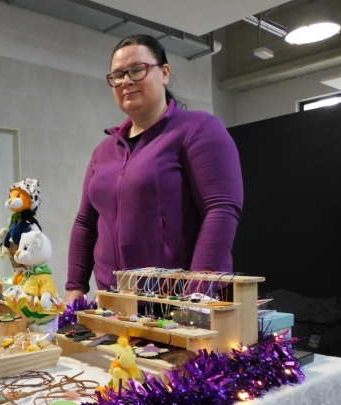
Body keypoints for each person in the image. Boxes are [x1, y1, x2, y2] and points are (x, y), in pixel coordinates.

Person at [64, 35, 243, 302]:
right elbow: (86, 223)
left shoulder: (198, 129)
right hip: (114, 300)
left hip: (177, 300)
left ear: (165, 73)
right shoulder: (104, 151)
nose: (126, 81)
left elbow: (221, 209)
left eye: (138, 69)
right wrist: (75, 286)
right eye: (117, 75)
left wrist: (199, 289)